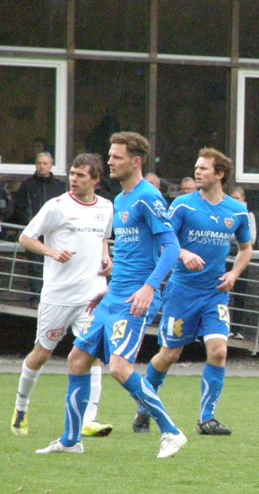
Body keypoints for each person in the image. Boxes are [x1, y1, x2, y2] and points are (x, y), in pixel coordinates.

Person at [36, 131, 186, 458]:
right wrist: (107, 289)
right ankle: (71, 441)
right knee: (77, 360)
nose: (110, 161)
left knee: (119, 367)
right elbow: (131, 253)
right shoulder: (121, 200)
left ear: (136, 161)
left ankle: (172, 432)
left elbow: (172, 247)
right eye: (110, 155)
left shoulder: (148, 197)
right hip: (113, 295)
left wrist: (149, 287)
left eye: (116, 157)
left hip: (135, 299)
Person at [133, 148, 252, 436]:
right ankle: (144, 408)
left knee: (219, 351)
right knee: (169, 354)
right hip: (182, 293)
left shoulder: (237, 211)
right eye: (196, 167)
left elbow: (246, 249)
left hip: (215, 293)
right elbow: (164, 241)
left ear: (220, 174)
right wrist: (183, 253)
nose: (197, 172)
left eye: (204, 168)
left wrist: (234, 273)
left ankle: (206, 419)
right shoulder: (182, 206)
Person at [11, 154, 114, 436]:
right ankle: (21, 408)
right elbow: (25, 237)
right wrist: (52, 252)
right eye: (72, 174)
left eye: (81, 175)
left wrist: (106, 257)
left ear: (95, 180)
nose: (74, 179)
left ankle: (89, 419)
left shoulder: (106, 207)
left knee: (92, 354)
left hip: (91, 294)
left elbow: (102, 237)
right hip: (58, 295)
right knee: (42, 354)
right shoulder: (56, 206)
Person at [13, 152, 66, 304]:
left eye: (45, 163)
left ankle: (52, 297)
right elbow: (20, 208)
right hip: (34, 233)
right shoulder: (27, 185)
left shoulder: (59, 186)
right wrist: (29, 225)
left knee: (54, 263)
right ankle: (36, 297)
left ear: (50, 165)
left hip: (53, 232)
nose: (42, 166)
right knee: (35, 266)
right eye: (39, 163)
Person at [227, 186, 257, 339]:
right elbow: (222, 234)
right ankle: (223, 326)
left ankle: (236, 329)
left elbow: (251, 238)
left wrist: (234, 236)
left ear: (243, 199)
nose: (235, 200)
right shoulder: (225, 212)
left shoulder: (248, 215)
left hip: (242, 258)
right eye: (232, 197)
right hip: (225, 258)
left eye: (237, 197)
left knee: (240, 294)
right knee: (222, 293)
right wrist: (237, 236)